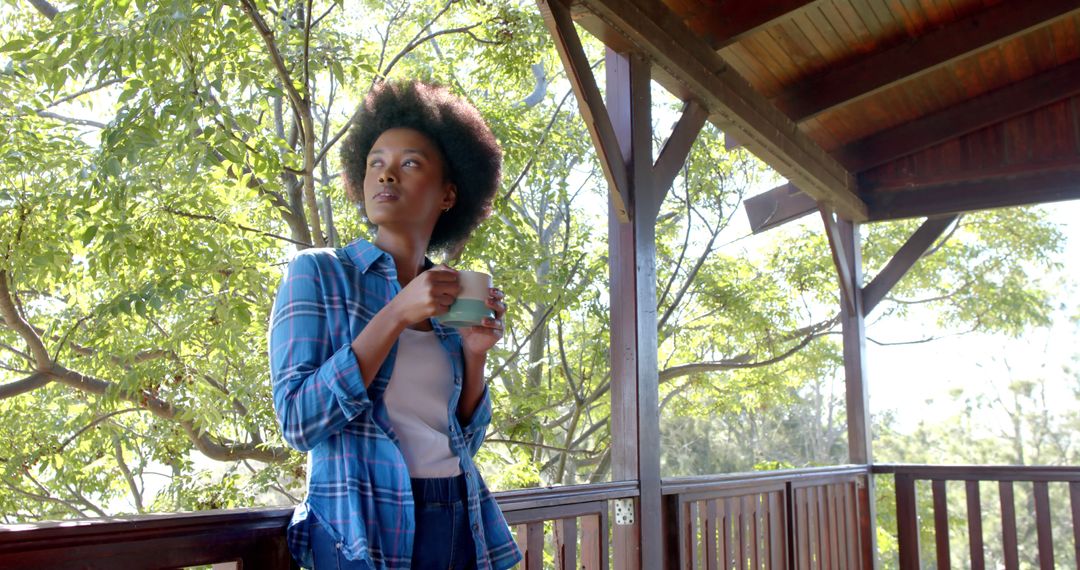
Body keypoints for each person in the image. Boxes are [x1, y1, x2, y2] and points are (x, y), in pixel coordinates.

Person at [269, 80, 522, 570]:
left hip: (458, 514)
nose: (387, 176)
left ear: (449, 194)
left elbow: (462, 441)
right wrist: (397, 314)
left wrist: (474, 355)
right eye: (376, 163)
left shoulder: (451, 293)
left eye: (410, 163)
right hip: (361, 527)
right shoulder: (318, 273)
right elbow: (299, 421)